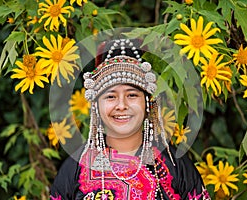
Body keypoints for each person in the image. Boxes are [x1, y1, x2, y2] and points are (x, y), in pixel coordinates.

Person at [50, 39, 210, 200]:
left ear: (148, 101)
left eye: (132, 95)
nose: (121, 105)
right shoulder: (75, 168)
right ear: (97, 105)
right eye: (111, 96)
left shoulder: (175, 166)